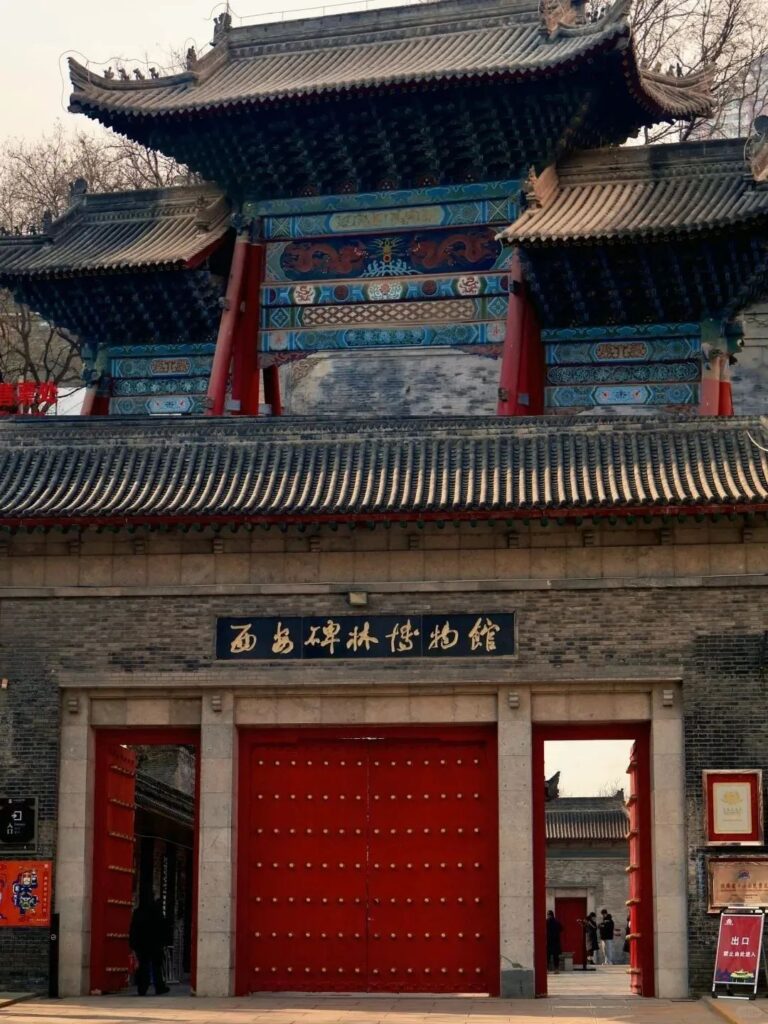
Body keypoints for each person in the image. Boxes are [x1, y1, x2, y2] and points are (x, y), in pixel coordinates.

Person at [129, 894, 170, 996]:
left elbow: (133, 929)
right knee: (156, 967)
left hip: (142, 944)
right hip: (155, 944)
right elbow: (163, 927)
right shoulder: (157, 912)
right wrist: (164, 941)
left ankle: (142, 988)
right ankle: (159, 987)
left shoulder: (138, 912)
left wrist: (132, 943)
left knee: (143, 966)